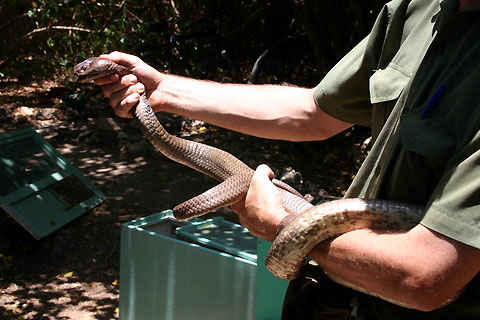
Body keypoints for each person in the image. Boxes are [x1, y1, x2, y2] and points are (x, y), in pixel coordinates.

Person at [93, 0, 480, 318]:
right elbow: (313, 112)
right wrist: (163, 89)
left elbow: (426, 277)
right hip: (352, 299)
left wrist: (283, 226)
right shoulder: (416, 11)